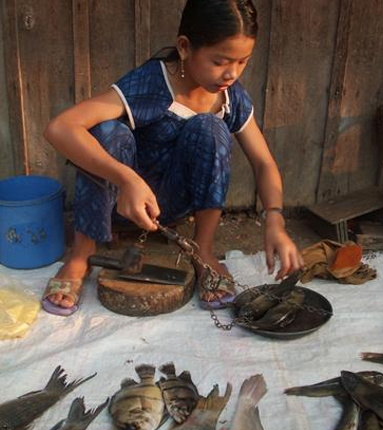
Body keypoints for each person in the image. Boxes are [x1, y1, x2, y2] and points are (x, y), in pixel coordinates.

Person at [42, 0, 304, 316]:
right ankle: (80, 255)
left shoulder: (229, 97)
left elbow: (264, 163)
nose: (231, 74)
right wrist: (126, 179)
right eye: (220, 61)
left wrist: (275, 217)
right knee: (109, 132)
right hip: (119, 204)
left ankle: (203, 250)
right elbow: (60, 128)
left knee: (210, 127)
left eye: (243, 62)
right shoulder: (151, 84)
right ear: (184, 47)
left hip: (170, 209)